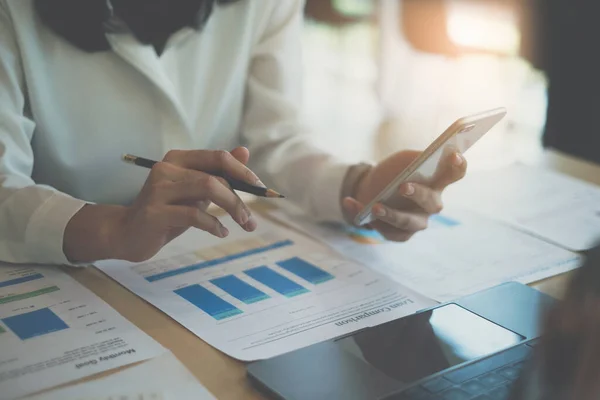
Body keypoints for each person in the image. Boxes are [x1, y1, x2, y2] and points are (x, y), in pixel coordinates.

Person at [0, 0, 466, 266]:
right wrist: (113, 228)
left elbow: (275, 140)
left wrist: (359, 186)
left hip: (195, 266)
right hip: (61, 277)